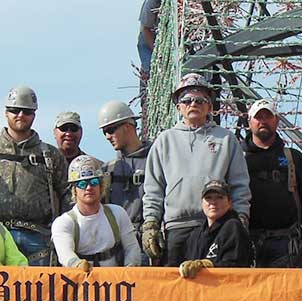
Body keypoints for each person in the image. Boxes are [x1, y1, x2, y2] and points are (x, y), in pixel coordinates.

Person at [142, 73, 251, 266]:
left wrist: (241, 217)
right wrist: (151, 223)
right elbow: (153, 189)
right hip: (175, 228)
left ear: (209, 106)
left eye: (200, 100)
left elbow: (240, 185)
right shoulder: (164, 141)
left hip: (216, 226)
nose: (194, 104)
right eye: (187, 100)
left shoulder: (226, 139)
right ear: (179, 107)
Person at [0, 85, 67, 266]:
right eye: (15, 110)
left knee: (39, 293)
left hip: (39, 239)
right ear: (6, 112)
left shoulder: (50, 155)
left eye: (26, 111)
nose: (20, 115)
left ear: (34, 115)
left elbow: (69, 197)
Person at [242, 99, 302, 267]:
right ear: (249, 122)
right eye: (258, 117)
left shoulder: (293, 158)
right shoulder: (238, 159)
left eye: (268, 116)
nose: (263, 121)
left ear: (276, 120)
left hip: (287, 245)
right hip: (248, 243)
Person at [51, 155, 142, 270]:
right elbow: (65, 255)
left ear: (101, 186)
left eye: (94, 182)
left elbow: (132, 247)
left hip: (116, 282)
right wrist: (78, 265)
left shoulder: (117, 214)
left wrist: (130, 270)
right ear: (74, 189)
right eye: (82, 184)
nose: (89, 187)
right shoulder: (64, 223)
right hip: (80, 282)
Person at [98, 101, 153, 263]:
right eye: (104, 132)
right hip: (116, 245)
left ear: (128, 126)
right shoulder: (107, 169)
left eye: (110, 130)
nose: (107, 136)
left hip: (148, 241)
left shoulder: (156, 160)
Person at [179, 180, 254, 278]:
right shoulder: (195, 234)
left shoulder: (234, 227)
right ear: (202, 203)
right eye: (208, 198)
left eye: (219, 197)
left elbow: (234, 268)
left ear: (229, 202)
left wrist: (205, 265)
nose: (213, 202)